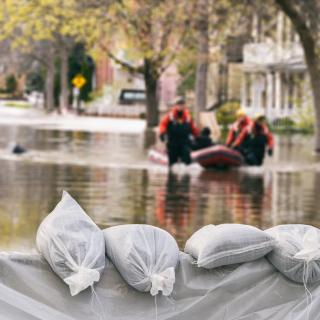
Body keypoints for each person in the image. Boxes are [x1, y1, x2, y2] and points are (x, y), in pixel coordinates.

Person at [159, 98, 199, 167]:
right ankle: (172, 176)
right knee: (172, 162)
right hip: (173, 142)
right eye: (179, 105)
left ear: (184, 106)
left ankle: (186, 175)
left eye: (182, 105)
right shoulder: (170, 116)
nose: (180, 106)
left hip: (184, 142)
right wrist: (162, 133)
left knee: (187, 158)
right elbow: (163, 125)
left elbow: (193, 128)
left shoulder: (188, 116)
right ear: (176, 106)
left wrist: (197, 136)